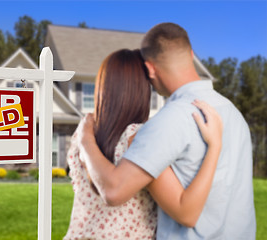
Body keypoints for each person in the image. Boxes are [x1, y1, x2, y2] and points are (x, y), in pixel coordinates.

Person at [77, 23, 256, 239]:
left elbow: (114, 191)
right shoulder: (233, 114)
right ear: (190, 54)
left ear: (150, 69)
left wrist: (86, 140)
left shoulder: (168, 121)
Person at [64, 49, 223, 240]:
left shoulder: (83, 133)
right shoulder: (138, 139)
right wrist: (215, 146)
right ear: (141, 90)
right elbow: (186, 213)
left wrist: (85, 140)